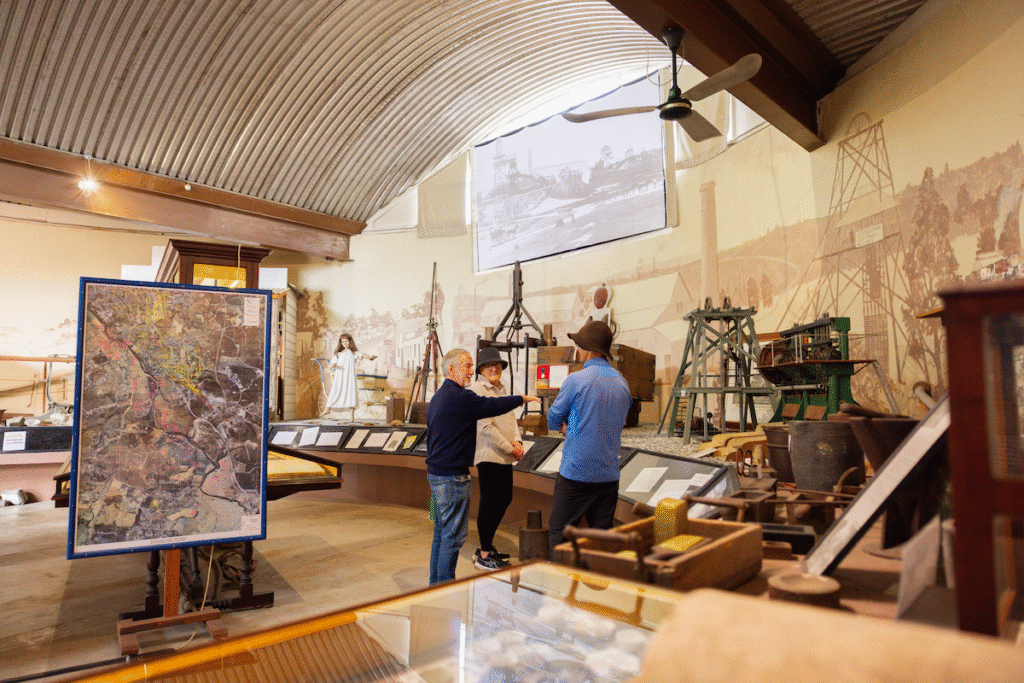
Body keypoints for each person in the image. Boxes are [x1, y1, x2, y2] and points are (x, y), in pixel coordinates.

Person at [426, 348, 540, 584]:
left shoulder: (439, 397)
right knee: (453, 538)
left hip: (437, 475)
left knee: (441, 533)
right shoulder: (460, 397)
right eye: (467, 366)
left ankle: (435, 586)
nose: (471, 371)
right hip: (452, 478)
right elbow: (491, 408)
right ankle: (444, 588)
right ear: (451, 369)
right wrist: (522, 399)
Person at [546, 320, 632, 556]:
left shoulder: (576, 380)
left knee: (559, 534)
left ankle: (560, 589)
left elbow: (553, 419)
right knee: (601, 541)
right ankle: (597, 589)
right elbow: (614, 424)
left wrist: (570, 426)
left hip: (576, 473)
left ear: (585, 349)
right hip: (608, 474)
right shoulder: (622, 383)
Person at [468, 347, 523, 571]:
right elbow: (485, 427)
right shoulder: (477, 390)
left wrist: (517, 442)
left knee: (504, 497)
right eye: (489, 365)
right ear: (481, 369)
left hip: (505, 454)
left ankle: (486, 546)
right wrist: (509, 447)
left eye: (498, 365)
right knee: (490, 501)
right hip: (490, 454)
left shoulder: (501, 389)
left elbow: (511, 419)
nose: (494, 368)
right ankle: (483, 554)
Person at [325, 333, 376, 420]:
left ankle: (352, 415)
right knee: (335, 391)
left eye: (346, 341)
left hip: (350, 377)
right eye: (343, 342)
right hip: (340, 376)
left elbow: (363, 355)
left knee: (351, 393)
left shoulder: (353, 353)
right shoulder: (338, 354)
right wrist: (333, 365)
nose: (344, 343)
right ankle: (327, 408)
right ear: (341, 343)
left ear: (350, 342)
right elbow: (332, 364)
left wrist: (370, 358)